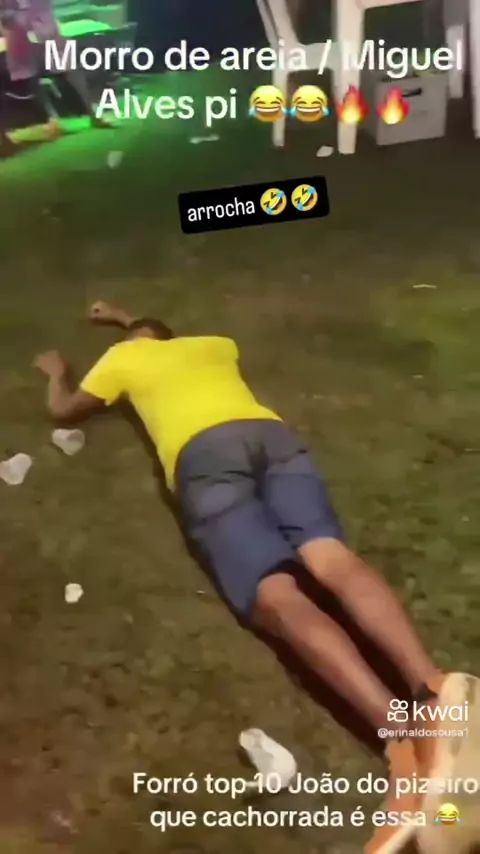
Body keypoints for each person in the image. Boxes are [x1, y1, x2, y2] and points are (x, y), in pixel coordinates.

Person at [34, 301, 480, 854]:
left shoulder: (122, 361)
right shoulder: (215, 346)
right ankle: (435, 691)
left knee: (275, 595)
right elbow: (151, 330)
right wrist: (125, 318)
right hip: (273, 440)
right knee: (331, 558)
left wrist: (57, 372)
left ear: (131, 343)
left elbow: (65, 410)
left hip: (205, 458)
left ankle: (405, 749)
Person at [0, 0, 109, 137]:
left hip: (40, 17)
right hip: (15, 21)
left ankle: (93, 114)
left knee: (69, 66)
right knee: (31, 74)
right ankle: (53, 120)